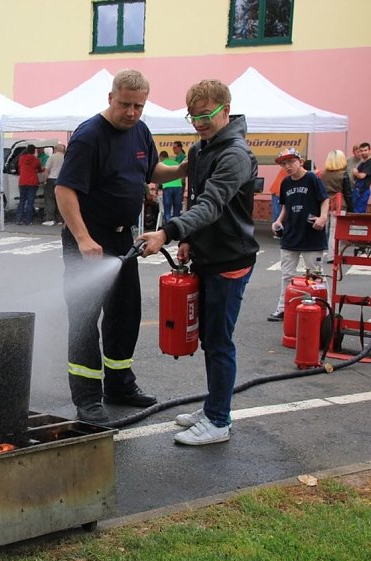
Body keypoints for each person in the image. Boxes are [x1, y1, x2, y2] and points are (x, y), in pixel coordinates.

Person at [55, 69, 181, 423]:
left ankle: (120, 386)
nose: (131, 112)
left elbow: (152, 171)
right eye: (125, 104)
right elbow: (64, 190)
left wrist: (183, 168)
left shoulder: (140, 131)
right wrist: (83, 238)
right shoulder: (89, 136)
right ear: (111, 98)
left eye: (138, 106)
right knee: (84, 318)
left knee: (125, 314)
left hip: (123, 239)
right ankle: (87, 398)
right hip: (89, 240)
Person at [139, 79, 259, 446]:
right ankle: (213, 408)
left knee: (219, 342)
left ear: (226, 109)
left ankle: (219, 421)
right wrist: (189, 239)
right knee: (209, 338)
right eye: (193, 116)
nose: (199, 122)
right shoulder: (200, 149)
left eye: (206, 114)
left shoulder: (235, 154)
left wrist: (168, 232)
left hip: (230, 259)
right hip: (208, 255)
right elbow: (195, 199)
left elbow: (212, 204)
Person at [269, 149, 329, 321]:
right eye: (283, 164)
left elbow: (324, 199)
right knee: (287, 275)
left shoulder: (312, 178)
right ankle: (283, 308)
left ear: (300, 161)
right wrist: (278, 221)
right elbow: (285, 206)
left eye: (291, 162)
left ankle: (324, 309)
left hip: (311, 233)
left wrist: (323, 217)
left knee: (315, 275)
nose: (287, 166)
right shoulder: (285, 182)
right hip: (291, 234)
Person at [319, 149, 352, 262]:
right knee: (335, 231)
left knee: (323, 230)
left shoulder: (321, 174)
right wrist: (351, 209)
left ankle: (321, 253)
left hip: (324, 204)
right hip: (339, 205)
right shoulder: (343, 174)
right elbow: (348, 194)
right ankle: (333, 255)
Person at [159, 142, 187, 222]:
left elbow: (159, 177)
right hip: (178, 186)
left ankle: (168, 227)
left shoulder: (162, 164)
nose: (173, 149)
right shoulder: (176, 162)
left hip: (168, 186)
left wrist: (157, 189)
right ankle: (176, 227)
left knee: (167, 210)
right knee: (177, 211)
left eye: (174, 148)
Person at [16, 144, 42, 225]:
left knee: (22, 201)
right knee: (30, 202)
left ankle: (18, 219)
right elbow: (39, 169)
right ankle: (28, 220)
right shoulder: (36, 160)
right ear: (34, 151)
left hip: (22, 181)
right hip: (32, 182)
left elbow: (19, 167)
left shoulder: (21, 158)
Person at [41, 143, 65, 226]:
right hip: (62, 181)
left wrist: (45, 180)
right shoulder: (65, 158)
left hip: (51, 179)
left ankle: (50, 219)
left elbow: (46, 170)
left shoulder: (51, 157)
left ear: (55, 149)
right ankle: (60, 219)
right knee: (60, 200)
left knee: (50, 199)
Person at [351, 142, 371, 213]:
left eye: (365, 150)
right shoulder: (362, 162)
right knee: (354, 211)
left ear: (369, 150)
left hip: (363, 191)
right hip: (357, 189)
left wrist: (355, 173)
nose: (363, 152)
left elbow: (362, 176)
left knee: (359, 212)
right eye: (361, 151)